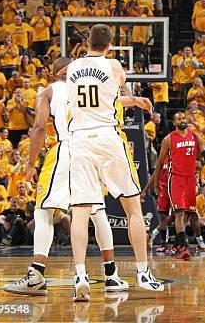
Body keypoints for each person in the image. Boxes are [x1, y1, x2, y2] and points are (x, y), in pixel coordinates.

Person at [3, 57, 146, 295]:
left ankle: (36, 275)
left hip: (64, 149)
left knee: (43, 210)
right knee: (97, 211)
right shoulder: (90, 85)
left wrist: (30, 163)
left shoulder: (49, 90)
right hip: (90, 148)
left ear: (55, 71)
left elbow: (39, 127)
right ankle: (111, 275)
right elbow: (113, 100)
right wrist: (133, 100)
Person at [66, 24, 163, 301]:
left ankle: (81, 275)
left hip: (80, 140)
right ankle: (143, 273)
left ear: (87, 42)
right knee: (133, 207)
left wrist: (130, 99)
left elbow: (92, 88)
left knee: (81, 213)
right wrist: (133, 96)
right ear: (109, 46)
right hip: (108, 137)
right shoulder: (115, 66)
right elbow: (111, 90)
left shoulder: (72, 69)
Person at [149, 112, 205, 260]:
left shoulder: (195, 136)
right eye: (179, 118)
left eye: (183, 118)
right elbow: (159, 163)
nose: (182, 120)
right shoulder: (168, 139)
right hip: (176, 179)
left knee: (188, 214)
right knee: (179, 213)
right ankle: (184, 248)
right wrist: (155, 185)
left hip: (191, 179)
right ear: (174, 123)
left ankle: (176, 245)